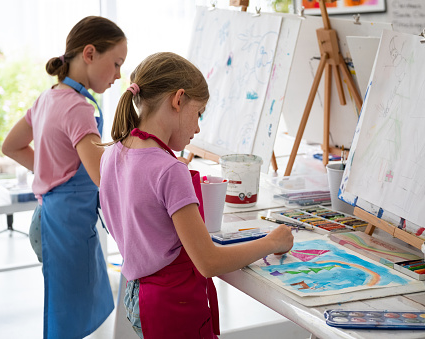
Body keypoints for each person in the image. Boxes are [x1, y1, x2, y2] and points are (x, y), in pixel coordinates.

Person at [99, 52, 294, 339]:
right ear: (178, 100)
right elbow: (208, 261)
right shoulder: (169, 169)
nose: (198, 127)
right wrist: (271, 242)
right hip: (172, 305)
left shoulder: (113, 153)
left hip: (139, 296)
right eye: (198, 112)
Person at [1, 16, 127, 339]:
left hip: (46, 220)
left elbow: (11, 146)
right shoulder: (79, 108)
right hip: (65, 229)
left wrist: (49, 169)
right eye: (115, 63)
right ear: (89, 54)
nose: (118, 75)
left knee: (65, 314)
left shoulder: (47, 99)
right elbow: (101, 174)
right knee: (67, 323)